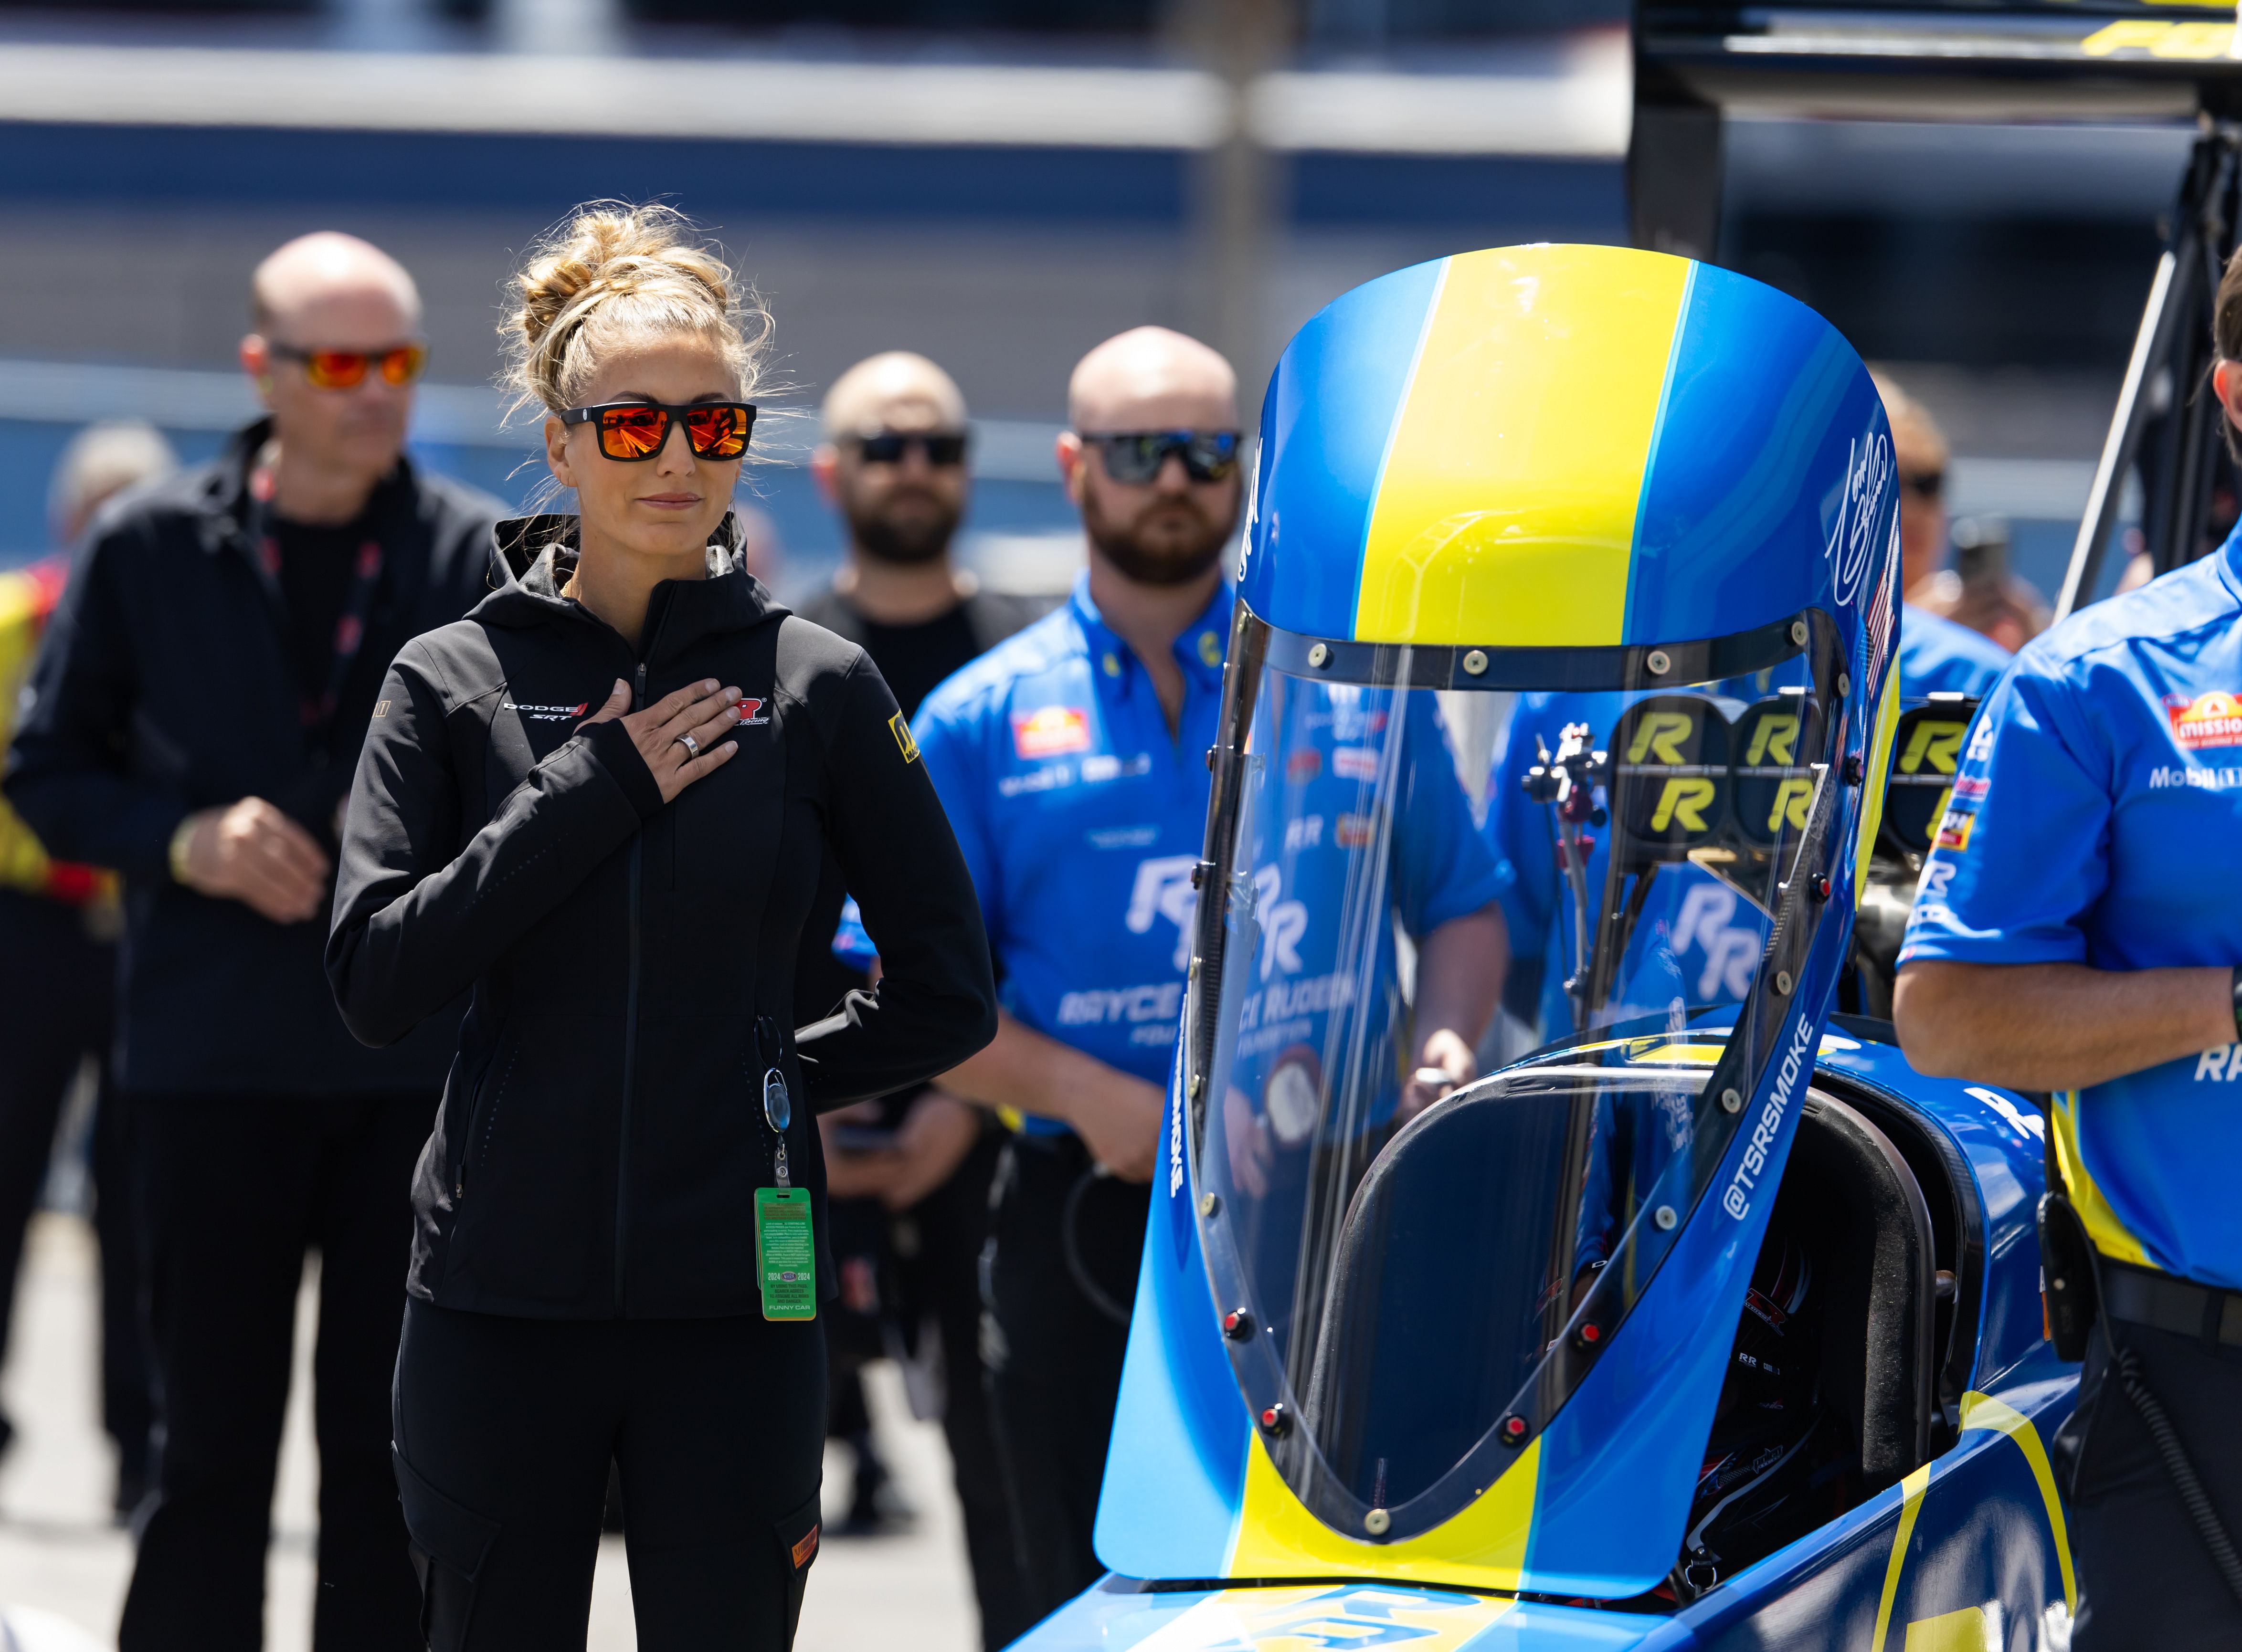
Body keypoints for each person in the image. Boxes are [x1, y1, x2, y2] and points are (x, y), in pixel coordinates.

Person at [325, 202, 997, 1649]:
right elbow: (378, 974)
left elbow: (949, 993)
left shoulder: (817, 684)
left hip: (735, 1306)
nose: (677, 458)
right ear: (561, 444)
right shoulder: (449, 681)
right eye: (631, 427)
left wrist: (755, 1073)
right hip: (495, 1292)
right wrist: (591, 786)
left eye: (713, 424)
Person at [913, 325, 1508, 1619]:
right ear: (1074, 468)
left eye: (1207, 449)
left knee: (1328, 1601)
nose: (1176, 478)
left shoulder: (1354, 688)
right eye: (1141, 451)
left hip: (1331, 1205)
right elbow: (911, 1003)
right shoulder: (976, 717)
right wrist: (1084, 1093)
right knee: (1068, 1596)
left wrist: (1444, 1050)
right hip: (1086, 1215)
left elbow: (1464, 906)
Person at [5, 234, 502, 1649]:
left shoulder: (467, 551)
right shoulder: (154, 542)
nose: (371, 393)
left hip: (404, 1072)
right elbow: (47, 772)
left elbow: (529, 794)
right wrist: (185, 838)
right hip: (206, 1058)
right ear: (261, 369)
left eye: (394, 362)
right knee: (202, 1453)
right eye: (338, 364)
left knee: (387, 1459)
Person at [1892, 250, 2242, 1649]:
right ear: (2229, 391)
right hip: (2188, 1390)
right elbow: (1947, 1012)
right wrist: (2224, 1000)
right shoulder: (2097, 680)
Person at [1484, 373, 2011, 1043]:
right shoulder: (1574, 685)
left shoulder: (1979, 689)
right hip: (1608, 1123)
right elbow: (1516, 946)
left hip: (1868, 1124)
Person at [795, 351, 1041, 1641]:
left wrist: (961, 1093)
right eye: (884, 447)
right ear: (833, 473)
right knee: (736, 1458)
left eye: (938, 443)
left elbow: (1040, 906)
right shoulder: (778, 650)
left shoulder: (1021, 657)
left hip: (979, 1109)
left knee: (1004, 1458)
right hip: (797, 1120)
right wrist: (815, 1096)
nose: (913, 467)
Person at [0, 421, 174, 1517]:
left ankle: (140, 1435)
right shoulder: (18, 617)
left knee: (142, 1196)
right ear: (71, 523)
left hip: (150, 928)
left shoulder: (186, 629)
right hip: (27, 927)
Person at [1874, 372, 2015, 696]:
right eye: (1889, 481)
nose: (1909, 508)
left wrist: (2035, 636)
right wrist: (1915, 642)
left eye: (1927, 483)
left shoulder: (1998, 628)